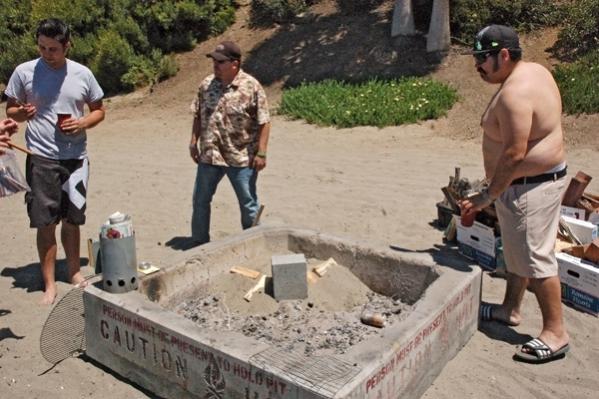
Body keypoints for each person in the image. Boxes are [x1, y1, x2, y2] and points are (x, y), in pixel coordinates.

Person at [459, 25, 569, 364]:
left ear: (503, 55)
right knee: (518, 253)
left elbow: (514, 154)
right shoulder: (535, 71)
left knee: (536, 260)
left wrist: (488, 195)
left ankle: (555, 333)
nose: (477, 65)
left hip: (529, 188)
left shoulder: (514, 93)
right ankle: (510, 309)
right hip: (535, 183)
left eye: (482, 58)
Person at [5, 18, 105, 305]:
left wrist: (82, 122)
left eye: (53, 49)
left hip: (76, 158)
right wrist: (22, 112)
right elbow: (11, 108)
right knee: (45, 223)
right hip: (40, 157)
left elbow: (99, 110)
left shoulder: (82, 74)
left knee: (73, 220)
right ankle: (49, 283)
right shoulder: (24, 72)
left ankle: (73, 271)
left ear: (67, 46)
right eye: (42, 47)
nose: (47, 54)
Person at [188, 41, 271, 245]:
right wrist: (193, 141)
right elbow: (198, 114)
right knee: (200, 201)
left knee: (248, 204)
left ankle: (253, 245)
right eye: (214, 60)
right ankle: (199, 245)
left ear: (235, 63)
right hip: (210, 154)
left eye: (221, 61)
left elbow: (264, 121)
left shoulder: (251, 87)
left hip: (241, 157)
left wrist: (261, 153)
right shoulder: (206, 85)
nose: (215, 65)